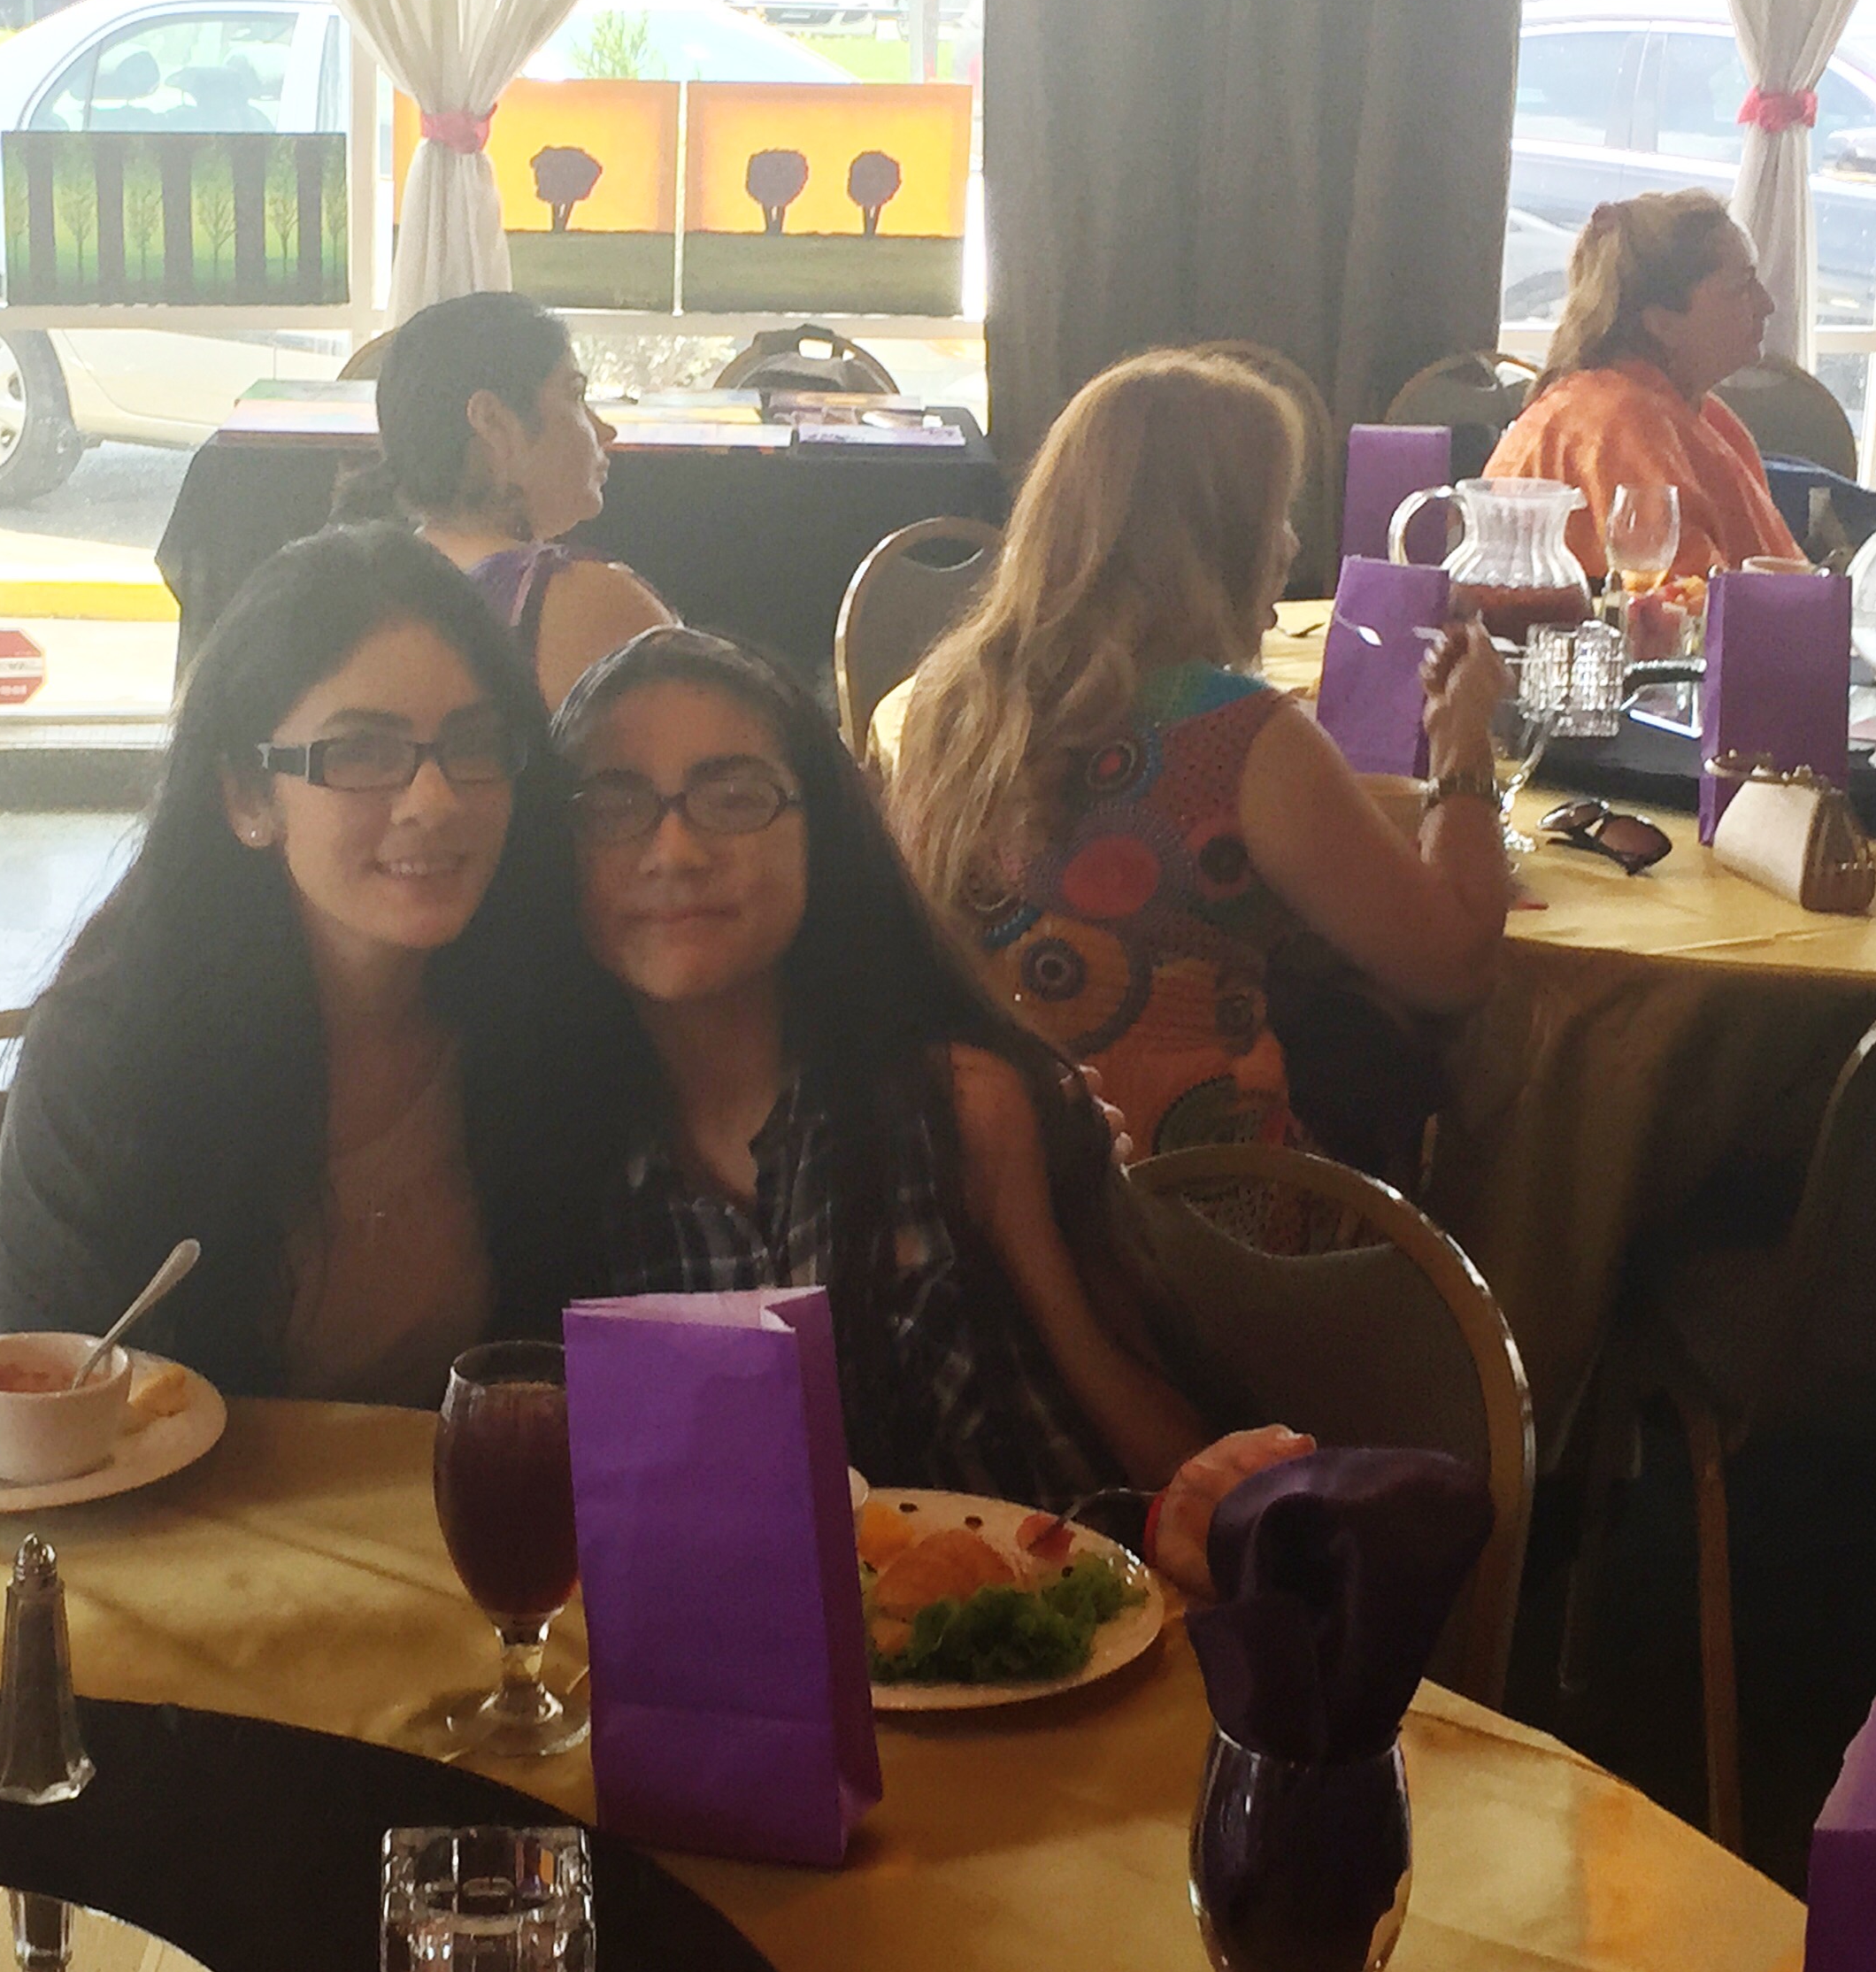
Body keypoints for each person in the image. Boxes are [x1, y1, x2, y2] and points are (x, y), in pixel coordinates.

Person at [552, 626, 1311, 1598]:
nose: (675, 850)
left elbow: (1139, 1436)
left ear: (822, 830)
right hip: (721, 1664)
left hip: (1031, 1637)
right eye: (610, 806)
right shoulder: (564, 1162)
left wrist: (1204, 1498)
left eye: (734, 796)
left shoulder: (953, 1109)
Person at [0, 524, 586, 1404]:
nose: (434, 800)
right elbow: (56, 1416)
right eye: (362, 752)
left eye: (472, 743)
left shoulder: (551, 1019)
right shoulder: (115, 1055)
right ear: (247, 796)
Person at [886, 350, 1510, 1156]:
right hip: (1190, 1191)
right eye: (1276, 516)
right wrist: (1463, 739)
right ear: (1223, 539)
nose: (1289, 546)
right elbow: (1456, 968)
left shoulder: (950, 696)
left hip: (980, 1168)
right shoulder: (1242, 739)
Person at [334, 292, 675, 708]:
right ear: (494, 422)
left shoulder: (356, 592)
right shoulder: (594, 606)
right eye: (575, 395)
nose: (606, 431)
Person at [1485, 189, 1802, 581]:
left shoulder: (1704, 415)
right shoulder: (1616, 422)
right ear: (1660, 323)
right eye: (1741, 287)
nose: (1766, 304)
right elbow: (1686, 599)